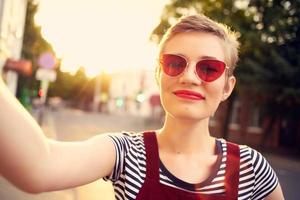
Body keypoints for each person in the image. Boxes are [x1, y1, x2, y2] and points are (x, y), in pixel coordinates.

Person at [0, 14, 284, 200]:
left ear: (227, 87)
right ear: (159, 75)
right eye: (175, 63)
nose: (189, 77)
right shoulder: (126, 154)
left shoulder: (252, 169)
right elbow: (39, 165)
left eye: (209, 68)